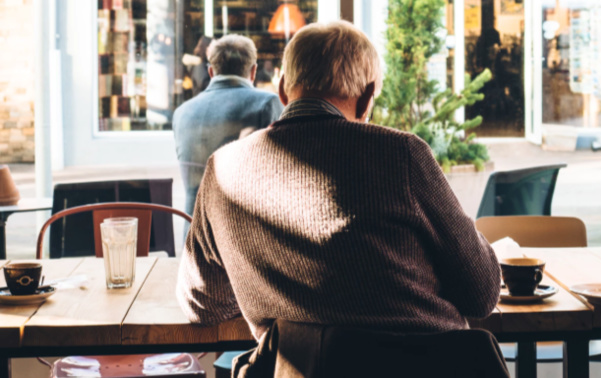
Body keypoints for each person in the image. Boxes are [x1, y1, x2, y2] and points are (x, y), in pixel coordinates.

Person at [177, 20, 501, 339]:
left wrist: (266, 283)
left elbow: (202, 304)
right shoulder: (402, 154)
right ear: (366, 98)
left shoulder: (222, 169)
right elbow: (482, 293)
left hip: (297, 370)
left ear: (282, 90)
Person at [173, 34, 283, 216]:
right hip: (243, 234)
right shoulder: (266, 104)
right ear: (254, 71)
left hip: (193, 234)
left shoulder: (182, 112)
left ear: (210, 72)